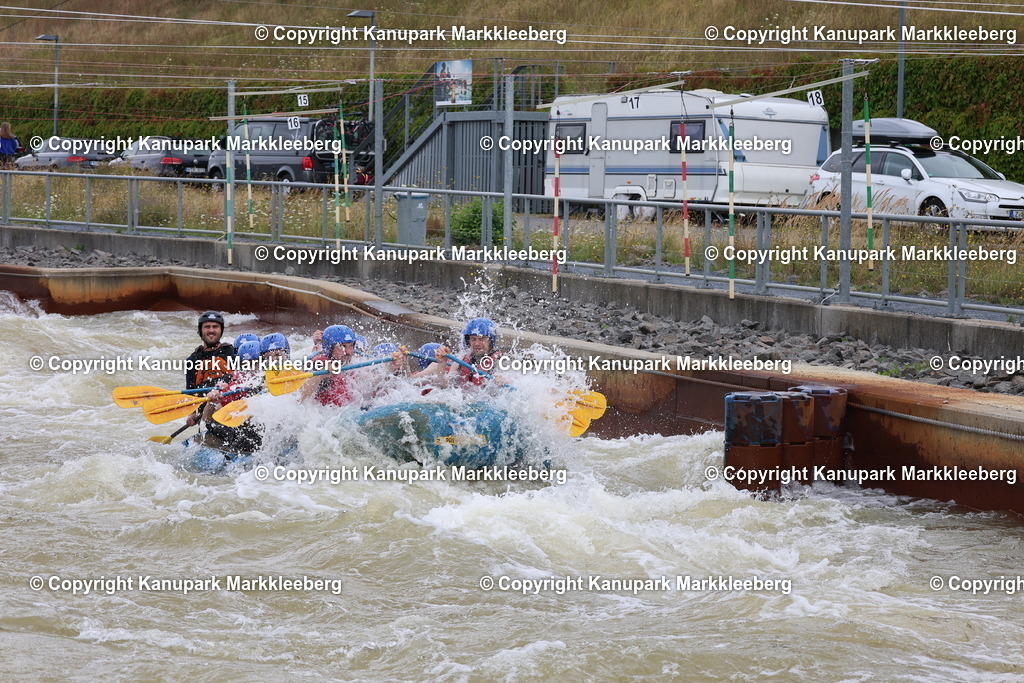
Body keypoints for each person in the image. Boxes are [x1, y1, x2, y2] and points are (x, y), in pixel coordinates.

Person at [199, 340, 264, 453]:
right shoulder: (235, 383)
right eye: (246, 364)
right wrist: (212, 402)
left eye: (256, 363)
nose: (252, 368)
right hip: (240, 434)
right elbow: (207, 419)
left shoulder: (272, 376)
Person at [415, 318, 504, 389]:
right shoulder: (461, 360)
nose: (477, 344)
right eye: (473, 339)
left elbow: (514, 378)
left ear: (490, 341)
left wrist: (503, 380)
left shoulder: (500, 360)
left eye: (481, 339)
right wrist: (442, 364)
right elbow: (444, 385)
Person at [185, 311, 236, 425]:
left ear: (221, 330)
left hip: (231, 407)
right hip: (209, 412)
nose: (211, 330)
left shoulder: (231, 352)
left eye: (215, 327)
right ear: (200, 330)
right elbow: (190, 392)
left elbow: (243, 376)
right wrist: (192, 413)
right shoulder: (192, 360)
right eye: (207, 327)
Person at [302, 324, 359, 406]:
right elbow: (299, 397)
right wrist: (322, 373)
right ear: (329, 348)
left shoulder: (351, 361)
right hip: (327, 414)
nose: (349, 352)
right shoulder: (317, 364)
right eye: (342, 347)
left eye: (350, 346)